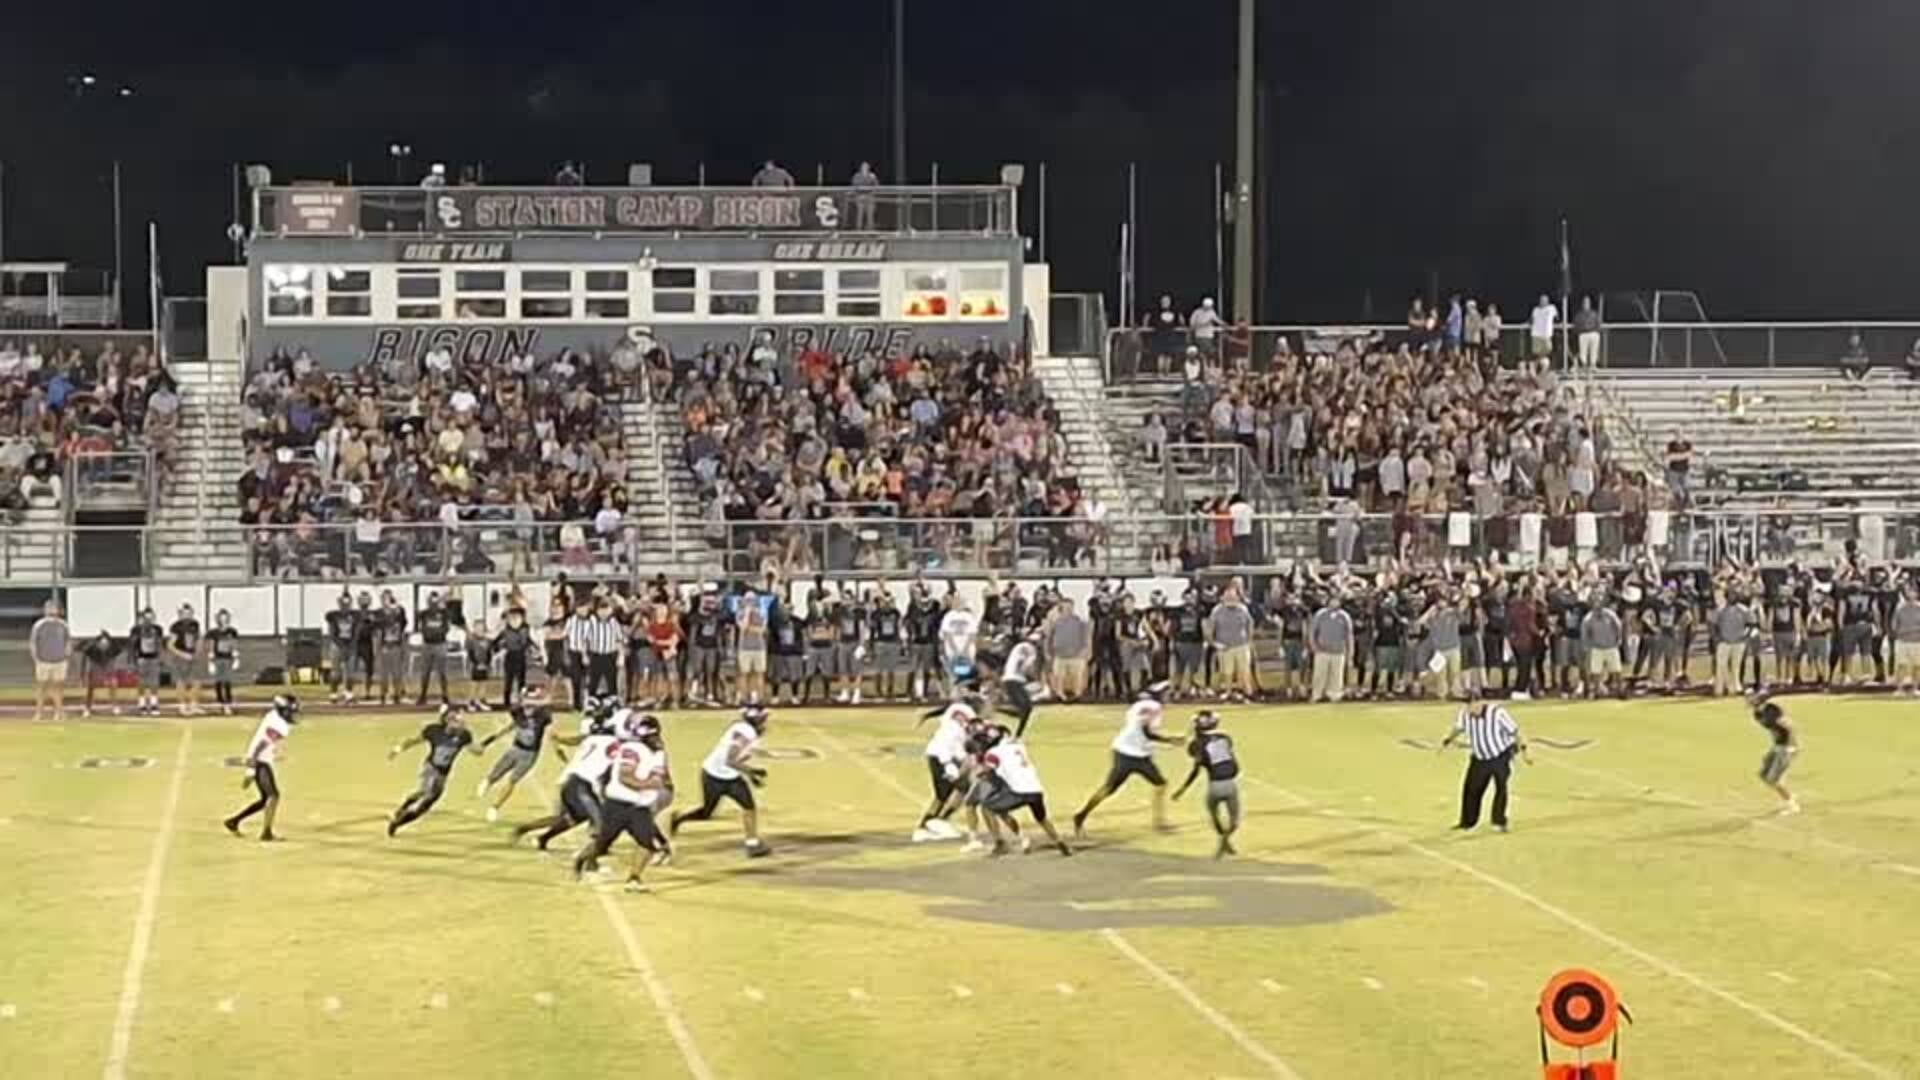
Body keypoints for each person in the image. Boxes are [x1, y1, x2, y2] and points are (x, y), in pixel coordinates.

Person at [572, 712, 672, 892]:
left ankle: (634, 878)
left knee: (646, 844)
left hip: (639, 807)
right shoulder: (632, 749)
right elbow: (626, 777)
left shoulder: (657, 753)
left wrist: (651, 784)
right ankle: (582, 858)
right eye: (653, 735)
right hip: (617, 805)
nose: (656, 739)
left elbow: (659, 779)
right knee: (602, 844)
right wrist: (647, 784)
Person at [1072, 682, 1178, 837]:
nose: (1168, 696)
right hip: (1136, 755)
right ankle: (1159, 822)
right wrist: (1170, 740)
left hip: (1124, 751)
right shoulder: (1155, 708)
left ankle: (1080, 816)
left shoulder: (1137, 706)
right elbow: (1147, 732)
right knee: (1160, 785)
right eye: (1166, 693)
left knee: (1109, 788)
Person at [669, 704, 772, 857]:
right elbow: (730, 760)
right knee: (706, 813)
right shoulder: (747, 733)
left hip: (718, 774)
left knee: (748, 807)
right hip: (717, 776)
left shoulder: (741, 728)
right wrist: (752, 772)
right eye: (762, 718)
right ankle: (678, 818)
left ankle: (752, 844)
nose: (765, 722)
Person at [513, 702, 618, 850]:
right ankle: (591, 857)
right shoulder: (612, 743)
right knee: (588, 820)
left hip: (571, 778)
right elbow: (607, 772)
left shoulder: (591, 736)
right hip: (579, 783)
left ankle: (535, 834)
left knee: (571, 818)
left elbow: (575, 739)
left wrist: (560, 739)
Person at [977, 724, 1072, 857]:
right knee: (1041, 818)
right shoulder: (1019, 746)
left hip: (1019, 792)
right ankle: (1060, 843)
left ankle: (1000, 844)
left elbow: (985, 770)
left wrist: (979, 765)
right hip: (1037, 790)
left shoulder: (993, 753)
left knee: (987, 808)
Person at [1439, 692, 1529, 832]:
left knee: (1501, 787)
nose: (1469, 708)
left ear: (1479, 702)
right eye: (1467, 705)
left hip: (1500, 756)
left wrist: (1524, 751)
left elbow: (1514, 731)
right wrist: (1448, 739)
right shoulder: (1465, 714)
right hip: (1479, 758)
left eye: (1471, 704)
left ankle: (1499, 821)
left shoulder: (1497, 713)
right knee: (1471, 789)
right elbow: (1458, 728)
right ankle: (1467, 822)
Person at [386, 706, 478, 836]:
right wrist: (398, 749)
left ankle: (398, 822)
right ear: (446, 719)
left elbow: (476, 750)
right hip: (431, 767)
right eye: (455, 719)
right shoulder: (434, 731)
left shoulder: (464, 735)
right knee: (425, 791)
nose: (458, 722)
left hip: (443, 774)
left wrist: (479, 748)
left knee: (427, 804)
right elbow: (414, 741)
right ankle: (404, 808)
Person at [223, 695, 300, 842]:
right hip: (259, 761)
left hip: (260, 759)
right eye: (289, 711)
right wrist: (251, 771)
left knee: (266, 799)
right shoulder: (281, 726)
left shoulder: (272, 715)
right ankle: (266, 833)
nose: (292, 714)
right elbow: (260, 747)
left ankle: (234, 821)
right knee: (273, 796)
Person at [911, 694, 980, 843]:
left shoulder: (954, 712)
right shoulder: (969, 721)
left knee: (944, 794)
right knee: (960, 789)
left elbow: (955, 738)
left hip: (936, 752)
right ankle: (937, 822)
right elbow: (955, 742)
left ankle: (928, 826)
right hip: (943, 756)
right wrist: (950, 763)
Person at [1172, 710, 1241, 858]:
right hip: (1230, 785)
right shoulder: (1225, 738)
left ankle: (1222, 840)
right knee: (1234, 822)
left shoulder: (1196, 744)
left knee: (1214, 815)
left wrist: (1182, 790)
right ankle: (1225, 840)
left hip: (1214, 787)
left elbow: (1195, 769)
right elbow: (1234, 763)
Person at [476, 696, 555, 822]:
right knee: (497, 773)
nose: (530, 708)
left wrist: (557, 745)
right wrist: (487, 742)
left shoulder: (543, 716)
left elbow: (550, 726)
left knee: (513, 780)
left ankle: (495, 807)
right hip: (515, 749)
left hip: (530, 754)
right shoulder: (518, 713)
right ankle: (488, 782)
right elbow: (507, 728)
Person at [1748, 690, 1799, 814]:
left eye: (1751, 697)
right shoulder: (1757, 714)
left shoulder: (1772, 709)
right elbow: (1773, 731)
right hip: (1777, 746)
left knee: (1774, 780)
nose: (1749, 700)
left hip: (1786, 747)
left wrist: (1792, 746)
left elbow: (1788, 727)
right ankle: (1788, 796)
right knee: (1763, 775)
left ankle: (1792, 804)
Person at [29, 599, 70, 723]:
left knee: (58, 687)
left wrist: (67, 656)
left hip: (60, 661)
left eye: (54, 608)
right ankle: (39, 713)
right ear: (44, 610)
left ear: (58, 610)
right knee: (41, 687)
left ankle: (58, 713)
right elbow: (33, 642)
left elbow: (67, 641)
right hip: (43, 661)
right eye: (49, 608)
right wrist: (35, 658)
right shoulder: (38, 625)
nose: (51, 610)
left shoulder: (63, 625)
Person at [998, 630, 1045, 736]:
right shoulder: (1031, 650)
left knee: (1024, 708)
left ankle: (1017, 732)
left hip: (1008, 678)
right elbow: (1027, 668)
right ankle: (999, 711)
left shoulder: (1018, 647)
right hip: (1016, 680)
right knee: (1026, 708)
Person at [1308, 595, 1354, 703]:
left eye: (1337, 601)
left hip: (1338, 651)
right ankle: (1317, 695)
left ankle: (1335, 695)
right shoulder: (1320, 614)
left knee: (1336, 676)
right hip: (1322, 650)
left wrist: (1350, 651)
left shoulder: (1344, 616)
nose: (1335, 603)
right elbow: (1312, 631)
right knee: (1319, 675)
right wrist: (1314, 646)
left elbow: (1349, 635)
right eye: (1333, 600)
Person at [415, 592, 453, 706]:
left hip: (440, 644)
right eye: (431, 601)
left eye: (435, 601)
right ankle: (423, 695)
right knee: (425, 672)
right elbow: (419, 626)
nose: (433, 603)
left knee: (442, 672)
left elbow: (447, 627)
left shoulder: (444, 613)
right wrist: (427, 634)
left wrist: (438, 634)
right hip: (427, 645)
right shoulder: (423, 613)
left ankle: (445, 695)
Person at [167, 604, 204, 717]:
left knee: (197, 681)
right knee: (181, 682)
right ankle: (182, 706)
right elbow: (170, 645)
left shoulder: (195, 624)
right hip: (180, 657)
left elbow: (198, 638)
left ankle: (194, 704)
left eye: (189, 613)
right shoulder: (176, 627)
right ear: (180, 614)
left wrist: (198, 651)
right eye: (184, 613)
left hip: (193, 656)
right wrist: (182, 655)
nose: (187, 615)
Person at [128, 609, 166, 716]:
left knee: (154, 682)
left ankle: (154, 703)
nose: (148, 620)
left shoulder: (158, 629)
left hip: (154, 658)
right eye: (146, 617)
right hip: (141, 658)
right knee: (142, 682)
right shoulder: (136, 630)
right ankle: (142, 703)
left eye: (151, 617)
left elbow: (159, 644)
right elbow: (132, 646)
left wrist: (161, 658)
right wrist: (132, 661)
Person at [375, 591, 410, 706]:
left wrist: (394, 607)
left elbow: (403, 620)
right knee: (383, 674)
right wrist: (378, 648)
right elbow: (378, 628)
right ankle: (383, 694)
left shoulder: (399, 613)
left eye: (388, 599)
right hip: (385, 645)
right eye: (384, 599)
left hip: (396, 645)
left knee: (396, 673)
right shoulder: (380, 614)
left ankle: (397, 694)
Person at [325, 593, 360, 705]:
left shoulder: (355, 616)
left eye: (347, 604)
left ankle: (348, 693)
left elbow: (356, 632)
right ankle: (333, 693)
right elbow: (332, 634)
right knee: (336, 672)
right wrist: (341, 646)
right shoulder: (334, 616)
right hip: (337, 644)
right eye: (343, 604)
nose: (345, 607)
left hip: (350, 645)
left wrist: (351, 645)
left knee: (350, 672)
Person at [495, 606, 534, 707]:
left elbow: (529, 641)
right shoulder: (505, 631)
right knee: (509, 680)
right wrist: (499, 649)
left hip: (521, 657)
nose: (515, 621)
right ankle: (506, 701)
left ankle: (522, 700)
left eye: (517, 618)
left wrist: (533, 649)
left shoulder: (526, 629)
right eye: (512, 619)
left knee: (522, 681)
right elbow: (497, 642)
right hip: (510, 656)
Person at [80, 629, 123, 718]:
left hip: (108, 667)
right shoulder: (92, 649)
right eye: (102, 644)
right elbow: (84, 652)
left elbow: (118, 649)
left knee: (113, 684)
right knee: (91, 688)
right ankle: (87, 708)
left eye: (106, 644)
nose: (104, 646)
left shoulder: (112, 648)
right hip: (96, 666)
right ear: (98, 644)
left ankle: (115, 706)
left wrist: (109, 637)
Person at [207, 610, 241, 716]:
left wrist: (236, 658)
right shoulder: (213, 633)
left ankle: (228, 704)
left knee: (227, 682)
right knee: (218, 682)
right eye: (221, 618)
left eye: (225, 618)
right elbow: (211, 646)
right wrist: (210, 662)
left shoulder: (232, 631)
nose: (223, 620)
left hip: (228, 659)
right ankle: (220, 703)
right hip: (217, 659)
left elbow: (234, 645)